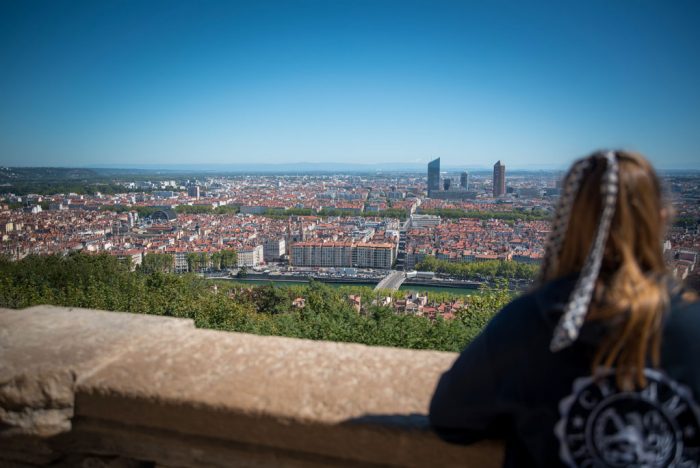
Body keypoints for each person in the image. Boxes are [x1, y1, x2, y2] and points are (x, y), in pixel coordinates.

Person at [429, 150, 700, 467]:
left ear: (566, 221)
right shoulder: (692, 326)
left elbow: (450, 417)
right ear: (662, 217)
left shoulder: (529, 322)